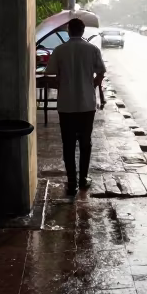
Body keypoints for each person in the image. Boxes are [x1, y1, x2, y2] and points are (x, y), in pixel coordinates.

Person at [45, 18, 106, 194]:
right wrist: (91, 84)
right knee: (85, 142)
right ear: (83, 30)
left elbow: (50, 75)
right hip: (87, 104)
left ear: (68, 30)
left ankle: (71, 180)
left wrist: (63, 85)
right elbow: (101, 72)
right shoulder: (92, 49)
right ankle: (83, 178)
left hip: (66, 105)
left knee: (68, 143)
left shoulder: (60, 50)